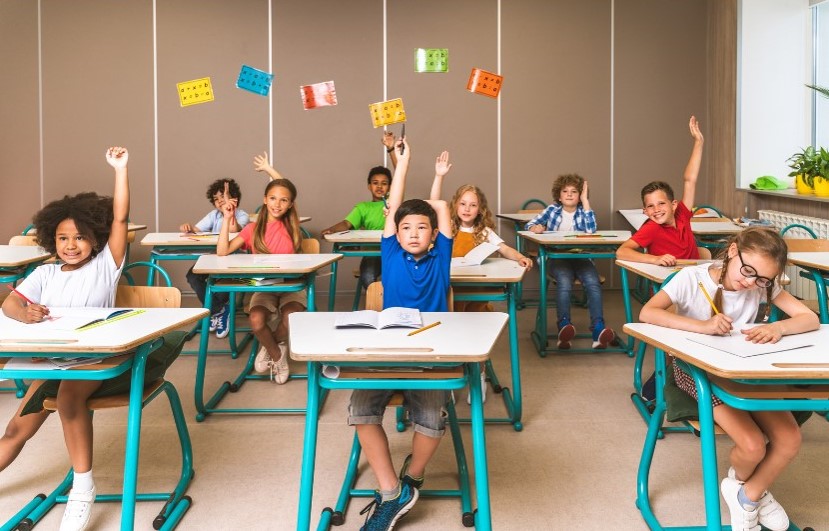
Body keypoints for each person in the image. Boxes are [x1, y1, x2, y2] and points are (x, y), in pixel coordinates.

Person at [639, 227, 819, 531]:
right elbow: (648, 313)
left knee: (789, 439)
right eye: (748, 271)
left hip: (746, 372)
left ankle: (747, 494)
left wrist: (779, 328)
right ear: (733, 250)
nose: (751, 282)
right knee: (751, 446)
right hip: (695, 372)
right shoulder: (691, 279)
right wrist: (701, 326)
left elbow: (809, 318)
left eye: (762, 279)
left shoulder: (763, 286)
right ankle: (752, 494)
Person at [1, 147, 131, 531]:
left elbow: (121, 215)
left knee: (70, 400)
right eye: (62, 238)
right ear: (50, 240)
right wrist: (22, 311)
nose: (70, 245)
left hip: (96, 362)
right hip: (55, 361)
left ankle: (82, 488)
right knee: (15, 429)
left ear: (96, 238)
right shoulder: (45, 274)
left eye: (79, 237)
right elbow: (10, 302)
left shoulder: (107, 266)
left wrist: (120, 170)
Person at [350, 137, 453, 530]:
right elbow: (393, 207)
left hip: (432, 349)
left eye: (421, 227)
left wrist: (438, 180)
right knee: (361, 408)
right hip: (389, 344)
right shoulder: (390, 253)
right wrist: (401, 163)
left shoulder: (442, 254)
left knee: (430, 419)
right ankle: (392, 491)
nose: (413, 233)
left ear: (433, 234)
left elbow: (440, 210)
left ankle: (413, 478)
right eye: (406, 227)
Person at [428, 150, 532, 401]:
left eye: (473, 204)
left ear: (480, 209)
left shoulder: (482, 231)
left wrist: (518, 256)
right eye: (462, 203)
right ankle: (449, 375)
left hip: (475, 296)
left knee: (477, 333)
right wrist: (439, 176)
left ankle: (480, 375)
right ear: (454, 205)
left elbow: (504, 248)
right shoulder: (445, 228)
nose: (467, 208)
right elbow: (432, 204)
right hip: (450, 295)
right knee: (449, 332)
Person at [217, 158, 304, 385]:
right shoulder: (251, 229)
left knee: (290, 317)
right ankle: (277, 353)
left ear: (291, 205)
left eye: (284, 201)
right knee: (256, 321)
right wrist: (227, 219)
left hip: (290, 285)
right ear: (264, 200)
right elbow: (223, 251)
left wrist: (269, 169)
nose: (277, 204)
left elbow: (284, 186)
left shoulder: (290, 225)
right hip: (264, 285)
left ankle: (270, 347)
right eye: (272, 198)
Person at [524, 174, 615, 349]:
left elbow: (591, 230)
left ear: (580, 195)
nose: (569, 194)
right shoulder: (552, 210)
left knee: (593, 282)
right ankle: (564, 325)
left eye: (574, 192)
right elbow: (530, 224)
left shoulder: (583, 211)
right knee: (564, 283)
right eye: (565, 191)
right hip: (558, 259)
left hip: (581, 258)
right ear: (559, 196)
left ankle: (598, 328)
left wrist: (586, 202)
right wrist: (536, 227)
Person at [616, 115, 704, 265]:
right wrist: (655, 259)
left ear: (674, 204)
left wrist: (699, 142)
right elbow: (621, 252)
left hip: (694, 279)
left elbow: (690, 180)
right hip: (668, 283)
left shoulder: (682, 214)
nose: (656, 209)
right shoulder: (652, 228)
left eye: (661, 203)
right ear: (645, 211)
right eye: (650, 206)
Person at [180, 178, 249, 339]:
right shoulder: (213, 215)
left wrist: (228, 212)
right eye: (216, 199)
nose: (219, 202)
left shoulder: (242, 215)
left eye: (223, 197)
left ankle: (215, 311)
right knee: (192, 276)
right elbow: (196, 230)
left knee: (221, 284)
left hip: (235, 262)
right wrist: (188, 228)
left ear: (234, 198)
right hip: (215, 259)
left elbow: (234, 230)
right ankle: (219, 310)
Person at [321, 164, 392, 289]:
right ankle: (377, 306)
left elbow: (400, 171)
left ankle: (392, 304)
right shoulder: (363, 207)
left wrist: (392, 150)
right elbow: (346, 224)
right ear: (369, 186)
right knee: (367, 277)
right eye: (375, 183)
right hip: (373, 253)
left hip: (393, 252)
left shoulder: (393, 202)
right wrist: (332, 229)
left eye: (384, 183)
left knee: (399, 278)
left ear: (391, 187)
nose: (380, 186)